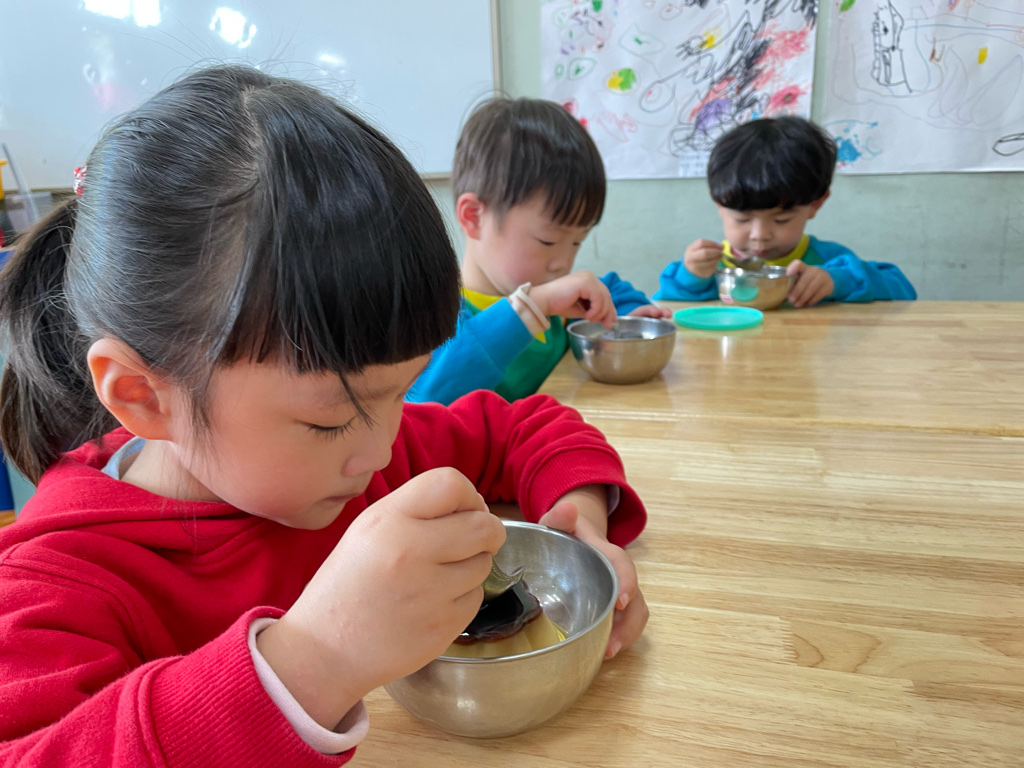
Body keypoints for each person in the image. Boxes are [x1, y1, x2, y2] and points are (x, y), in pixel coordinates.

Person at [0, 66, 648, 767]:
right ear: (143, 396)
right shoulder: (56, 584)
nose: (383, 449)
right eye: (328, 420)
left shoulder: (368, 455)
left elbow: (525, 426)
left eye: (401, 391)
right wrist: (313, 660)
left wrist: (579, 516)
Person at [407, 97, 669, 406]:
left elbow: (608, 287)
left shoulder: (549, 295)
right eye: (548, 241)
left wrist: (626, 314)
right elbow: (427, 399)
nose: (564, 263)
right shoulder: (437, 320)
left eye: (577, 242)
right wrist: (533, 307)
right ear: (474, 217)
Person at [655, 116, 917, 307]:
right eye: (743, 219)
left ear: (815, 205)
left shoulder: (828, 260)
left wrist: (838, 281)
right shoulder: (708, 266)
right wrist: (691, 277)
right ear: (719, 205)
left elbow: (903, 291)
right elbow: (664, 308)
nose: (760, 235)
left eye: (781, 220)